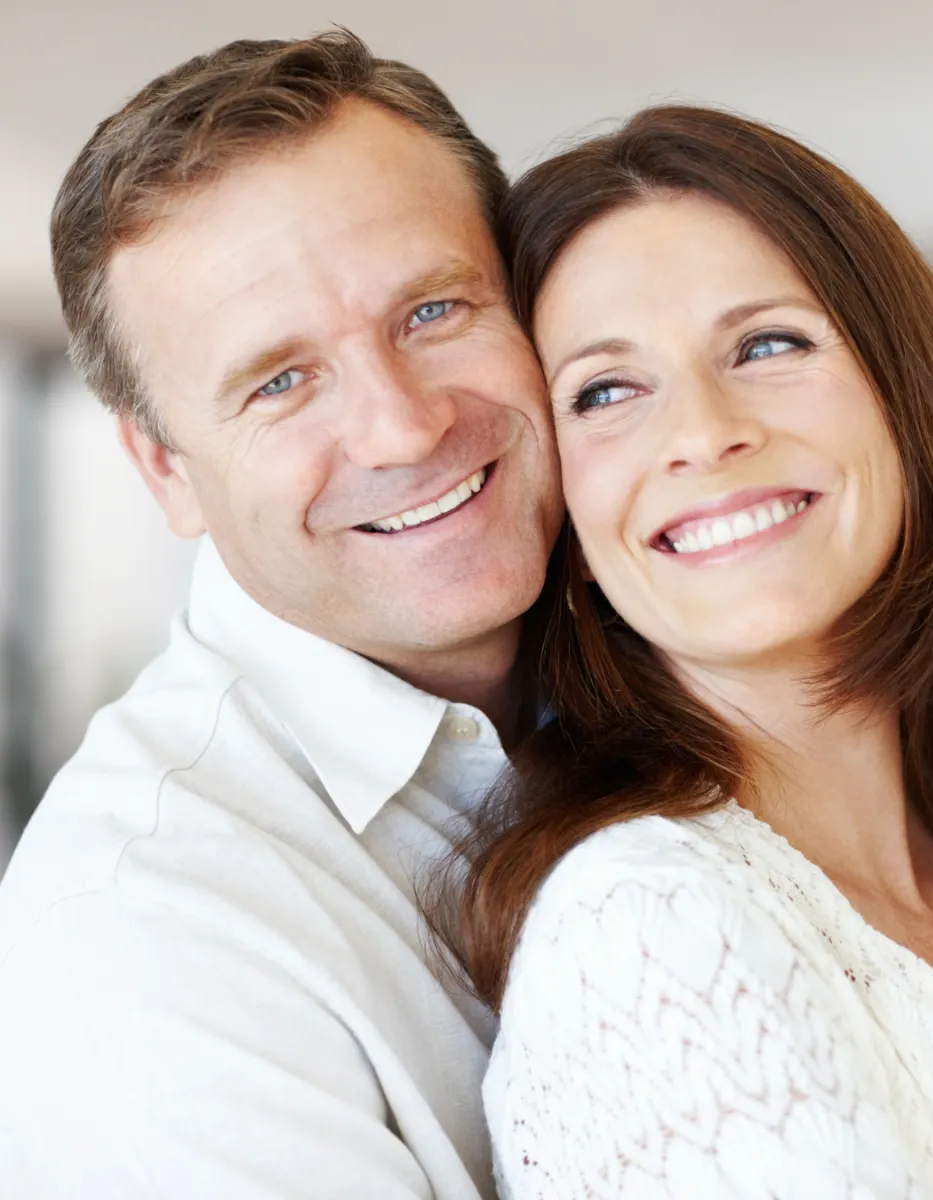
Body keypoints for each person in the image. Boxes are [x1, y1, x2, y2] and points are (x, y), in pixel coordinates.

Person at [436, 107, 933, 1198]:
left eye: (768, 345)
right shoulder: (644, 931)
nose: (703, 431)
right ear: (572, 529)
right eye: (605, 392)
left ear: (906, 400)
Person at [0, 31, 561, 1200]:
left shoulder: (709, 652)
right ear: (168, 471)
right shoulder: (141, 930)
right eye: (281, 382)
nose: (405, 430)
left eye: (434, 310)